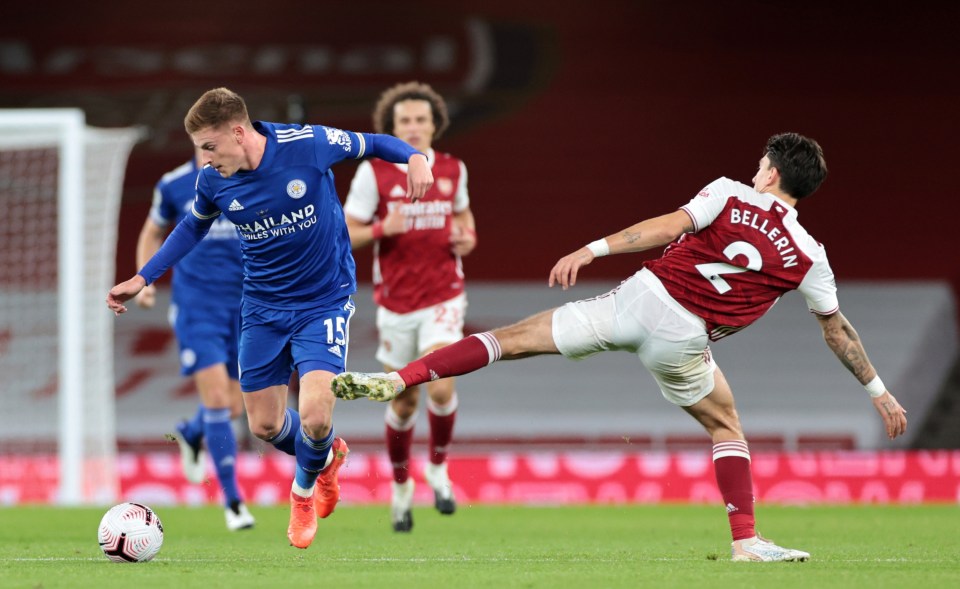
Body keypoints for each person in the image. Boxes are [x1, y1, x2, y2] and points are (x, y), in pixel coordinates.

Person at [331, 133, 909, 562]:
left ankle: (402, 379)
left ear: (769, 175)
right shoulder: (810, 254)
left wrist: (594, 249)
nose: (754, 170)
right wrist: (879, 392)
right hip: (685, 340)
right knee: (726, 428)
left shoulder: (730, 194)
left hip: (639, 299)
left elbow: (664, 226)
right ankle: (746, 542)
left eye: (761, 165)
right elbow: (837, 330)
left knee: (512, 340)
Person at [106, 87, 433, 550]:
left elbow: (374, 143)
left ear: (238, 133)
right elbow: (190, 228)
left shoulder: (309, 144)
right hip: (261, 308)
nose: (206, 156)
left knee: (316, 414)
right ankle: (329, 455)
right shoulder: (212, 180)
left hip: (324, 300)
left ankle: (302, 493)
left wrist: (415, 156)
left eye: (210, 145)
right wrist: (143, 277)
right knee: (264, 426)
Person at [342, 81, 477, 532]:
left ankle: (438, 467)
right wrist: (384, 228)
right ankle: (401, 487)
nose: (415, 128)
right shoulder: (374, 172)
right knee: (403, 403)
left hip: (443, 296)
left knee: (440, 386)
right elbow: (347, 232)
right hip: (396, 305)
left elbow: (464, 219)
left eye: (422, 120)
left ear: (435, 124)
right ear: (391, 127)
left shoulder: (454, 169)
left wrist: (467, 237)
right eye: (405, 122)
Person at [134, 148, 253, 531]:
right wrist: (145, 281)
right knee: (218, 399)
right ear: (193, 138)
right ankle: (234, 503)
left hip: (248, 304)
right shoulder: (173, 184)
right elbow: (152, 231)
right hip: (197, 306)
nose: (211, 146)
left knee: (236, 406)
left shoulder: (252, 176)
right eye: (204, 139)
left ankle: (192, 431)